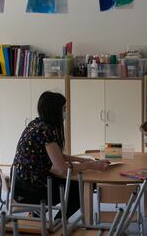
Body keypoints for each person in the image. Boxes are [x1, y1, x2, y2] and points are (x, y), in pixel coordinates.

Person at [12, 91, 110, 219]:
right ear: (55, 111)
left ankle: (38, 214)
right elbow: (62, 169)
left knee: (74, 184)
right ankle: (58, 222)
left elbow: (56, 155)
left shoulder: (36, 124)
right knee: (80, 188)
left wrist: (80, 160)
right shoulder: (45, 131)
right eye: (64, 109)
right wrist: (90, 165)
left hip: (21, 184)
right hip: (30, 189)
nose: (66, 112)